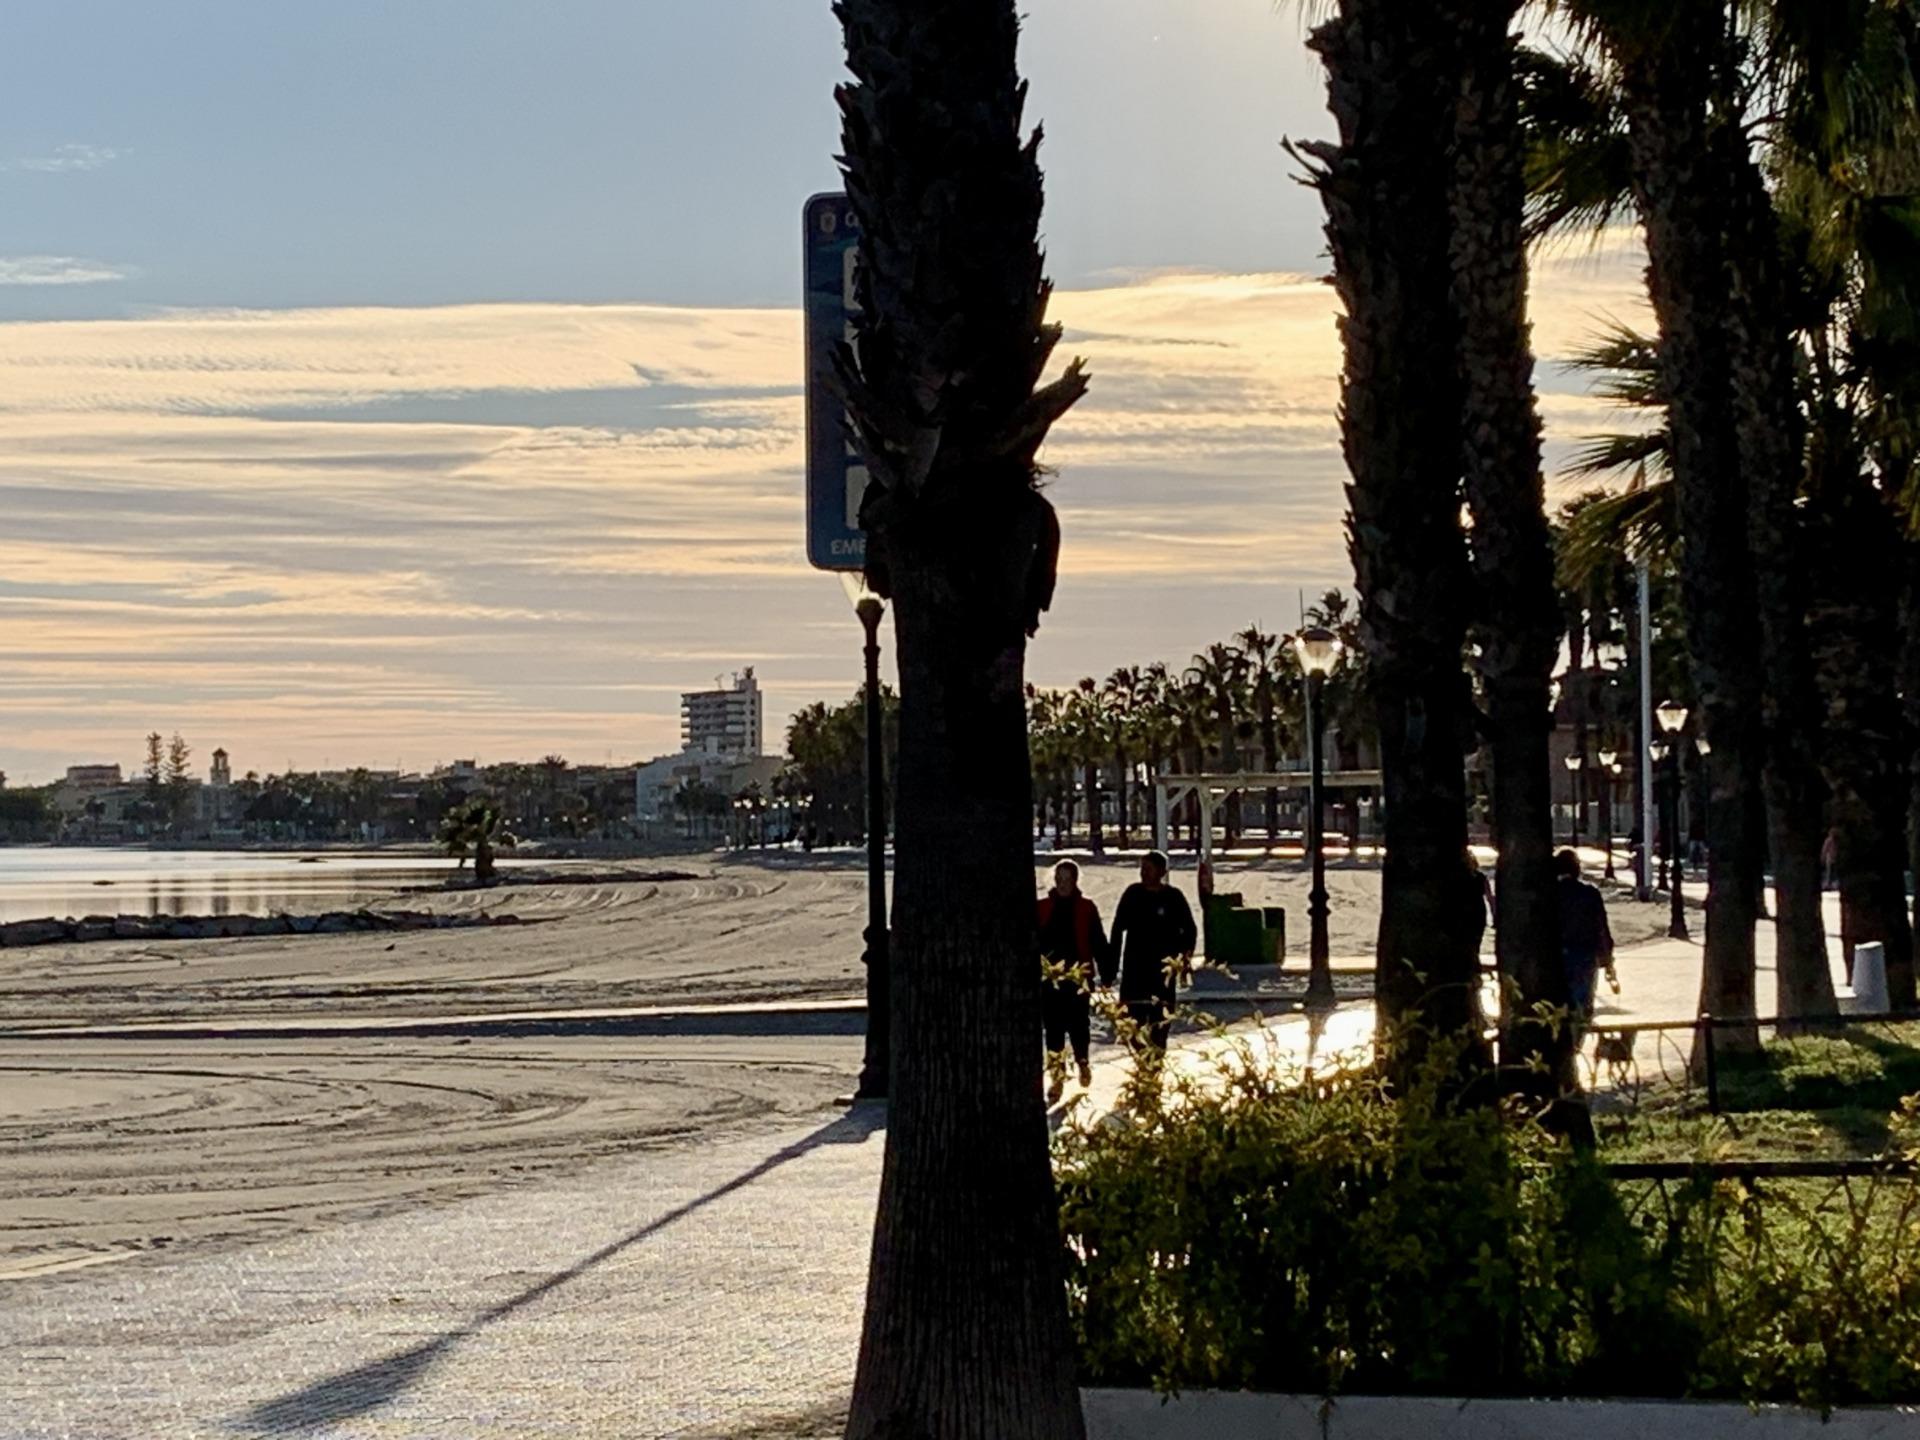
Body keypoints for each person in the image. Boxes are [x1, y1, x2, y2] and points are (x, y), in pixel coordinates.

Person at [1101, 850, 1197, 1075]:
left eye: (1148, 868)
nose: (1143, 873)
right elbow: (1117, 929)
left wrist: (1184, 959)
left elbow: (1189, 930)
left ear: (1162, 872)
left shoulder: (1173, 898)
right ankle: (1144, 1057)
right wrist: (1110, 966)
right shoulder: (1132, 894)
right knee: (1128, 1021)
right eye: (1141, 868)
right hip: (1135, 970)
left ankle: (1154, 1066)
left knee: (1160, 1025)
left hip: (1162, 974)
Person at [1036, 860, 1106, 1103]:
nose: (1063, 884)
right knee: (1053, 1030)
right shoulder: (1042, 908)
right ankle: (1057, 1075)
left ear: (1076, 881)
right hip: (1050, 980)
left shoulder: (1087, 908)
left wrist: (1106, 974)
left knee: (1079, 1026)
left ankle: (1082, 1062)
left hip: (1079, 977)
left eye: (1067, 879)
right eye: (1059, 879)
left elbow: (1098, 941)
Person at [1557, 848, 1616, 1040]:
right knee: (1583, 1003)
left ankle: (1563, 1042)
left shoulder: (1550, 894)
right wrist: (1607, 961)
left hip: (1557, 956)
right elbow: (1601, 928)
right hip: (1584, 956)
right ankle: (1576, 1043)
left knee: (1560, 1004)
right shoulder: (1589, 894)